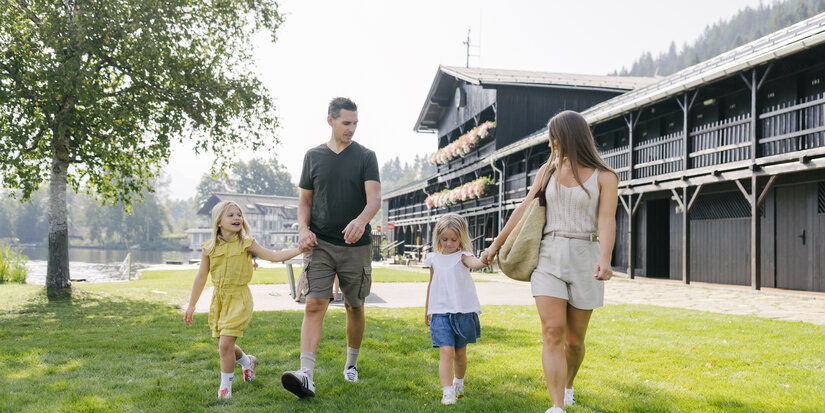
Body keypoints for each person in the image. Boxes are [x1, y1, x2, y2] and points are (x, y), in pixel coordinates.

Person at [481, 110, 618, 413]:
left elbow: (607, 221)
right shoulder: (548, 171)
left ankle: (568, 385)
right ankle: (557, 406)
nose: (551, 142)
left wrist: (606, 258)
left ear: (569, 136)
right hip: (549, 256)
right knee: (552, 331)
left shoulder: (606, 177)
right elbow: (523, 210)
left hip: (587, 256)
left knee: (574, 341)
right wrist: (495, 245)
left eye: (554, 135)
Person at [281, 97, 381, 398]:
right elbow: (305, 201)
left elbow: (374, 199)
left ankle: (351, 365)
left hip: (356, 245)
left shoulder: (366, 156)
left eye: (354, 124)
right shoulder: (313, 156)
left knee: (354, 305)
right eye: (346, 123)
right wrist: (302, 228)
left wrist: (361, 221)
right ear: (331, 121)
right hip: (320, 243)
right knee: (314, 303)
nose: (351, 129)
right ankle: (306, 375)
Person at [184, 200, 305, 399]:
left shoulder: (246, 243)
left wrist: (302, 248)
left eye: (239, 215)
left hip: (239, 298)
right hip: (219, 300)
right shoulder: (209, 248)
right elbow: (201, 277)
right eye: (231, 215)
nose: (237, 218)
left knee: (225, 345)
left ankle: (225, 389)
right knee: (226, 345)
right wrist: (191, 305)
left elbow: (274, 256)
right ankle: (247, 362)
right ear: (219, 222)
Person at [423, 213, 487, 405]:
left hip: (462, 312)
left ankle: (458, 382)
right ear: (438, 238)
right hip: (440, 313)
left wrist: (485, 259)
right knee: (446, 352)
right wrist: (427, 309)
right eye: (445, 239)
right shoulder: (433, 258)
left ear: (461, 238)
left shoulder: (464, 256)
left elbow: (477, 264)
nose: (449, 243)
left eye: (453, 239)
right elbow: (431, 283)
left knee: (460, 353)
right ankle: (447, 391)